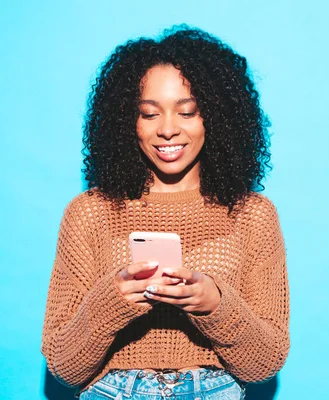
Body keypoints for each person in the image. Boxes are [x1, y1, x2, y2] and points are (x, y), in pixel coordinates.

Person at [41, 25, 290, 400]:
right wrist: (113, 301)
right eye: (149, 113)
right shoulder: (89, 213)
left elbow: (264, 364)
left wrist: (215, 305)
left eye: (188, 112)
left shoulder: (252, 215)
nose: (168, 130)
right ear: (128, 121)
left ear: (216, 118)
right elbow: (63, 365)